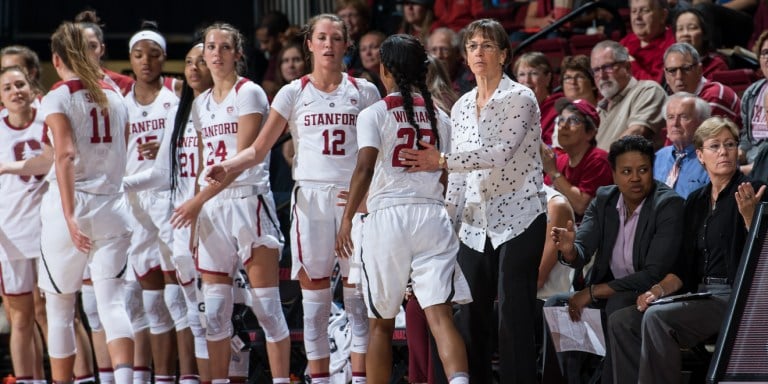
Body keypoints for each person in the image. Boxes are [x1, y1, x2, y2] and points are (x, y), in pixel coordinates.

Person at [203, 14, 380, 384]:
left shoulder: (365, 91)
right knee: (314, 306)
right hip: (311, 200)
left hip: (355, 201)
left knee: (357, 301)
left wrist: (371, 195)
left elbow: (376, 154)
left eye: (335, 38)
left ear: (347, 45)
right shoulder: (292, 92)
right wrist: (227, 164)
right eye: (321, 38)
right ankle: (321, 379)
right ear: (310, 45)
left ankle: (360, 379)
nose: (329, 45)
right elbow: (258, 148)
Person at [400, 18, 547, 384]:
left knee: (514, 316)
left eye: (486, 45)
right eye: (471, 46)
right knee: (470, 316)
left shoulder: (520, 97)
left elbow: (499, 153)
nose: (478, 52)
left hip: (521, 216)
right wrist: (447, 226)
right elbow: (461, 178)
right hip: (474, 223)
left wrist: (443, 160)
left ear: (503, 54)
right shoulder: (463, 105)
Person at [335, 33, 471, 384]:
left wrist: (347, 218)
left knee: (381, 323)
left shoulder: (374, 113)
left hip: (389, 220)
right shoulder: (441, 116)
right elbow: (444, 177)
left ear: (385, 69)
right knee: (440, 317)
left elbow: (364, 167)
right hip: (432, 216)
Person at [169, 23, 292, 384]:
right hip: (212, 211)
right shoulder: (201, 103)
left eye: (225, 47)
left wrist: (195, 204)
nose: (217, 53)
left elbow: (244, 161)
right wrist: (195, 212)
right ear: (204, 53)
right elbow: (206, 165)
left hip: (247, 204)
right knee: (216, 313)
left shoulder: (249, 92)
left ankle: (283, 380)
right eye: (211, 47)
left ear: (238, 53)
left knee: (268, 308)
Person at [609, 117, 767, 384]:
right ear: (700, 156)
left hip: (738, 297)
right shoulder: (695, 201)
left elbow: (763, 259)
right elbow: (683, 266)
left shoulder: (756, 191)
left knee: (659, 319)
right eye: (714, 146)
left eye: (729, 144)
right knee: (622, 321)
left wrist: (751, 218)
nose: (723, 152)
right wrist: (655, 291)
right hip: (699, 294)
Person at [39, 21, 135, 384]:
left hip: (72, 204)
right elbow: (124, 147)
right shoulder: (116, 94)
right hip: (112, 204)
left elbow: (63, 155)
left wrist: (68, 215)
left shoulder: (58, 95)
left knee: (61, 306)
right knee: (113, 303)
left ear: (57, 58)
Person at [548, 135, 684, 383]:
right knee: (557, 303)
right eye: (626, 171)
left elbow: (653, 273)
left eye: (643, 170)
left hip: (649, 294)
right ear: (613, 174)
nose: (635, 178)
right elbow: (582, 250)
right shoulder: (604, 199)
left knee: (617, 304)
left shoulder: (668, 205)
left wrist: (593, 292)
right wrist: (569, 250)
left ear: (652, 170)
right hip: (609, 292)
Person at [0, 65, 50, 384]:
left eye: (20, 84)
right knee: (20, 319)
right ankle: (28, 381)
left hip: (50, 232)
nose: (16, 91)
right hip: (12, 235)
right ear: (1, 97)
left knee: (56, 315)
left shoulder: (49, 117)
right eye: (7, 87)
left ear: (32, 87)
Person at [541, 99, 613, 219]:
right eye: (561, 120)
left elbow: (581, 206)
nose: (563, 126)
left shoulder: (598, 160)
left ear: (590, 132)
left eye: (573, 121)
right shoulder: (560, 161)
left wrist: (553, 172)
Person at [591, 40, 666, 150]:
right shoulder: (597, 111)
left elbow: (636, 132)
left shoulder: (647, 91)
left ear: (627, 67)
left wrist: (600, 164)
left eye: (608, 67)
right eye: (596, 70)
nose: (602, 75)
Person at [662, 42, 741, 128]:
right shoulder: (672, 101)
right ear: (666, 76)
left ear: (699, 70)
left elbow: (705, 139)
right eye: (672, 70)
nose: (679, 76)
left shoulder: (714, 95)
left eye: (686, 69)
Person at [654, 92, 711, 197]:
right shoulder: (658, 157)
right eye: (670, 117)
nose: (675, 123)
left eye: (684, 117)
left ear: (702, 123)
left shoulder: (712, 160)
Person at [74, 9, 135, 95]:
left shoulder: (124, 84)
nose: (85, 52)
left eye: (92, 46)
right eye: (79, 46)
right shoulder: (63, 88)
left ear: (102, 49)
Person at [514, 52, 563, 146]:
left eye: (534, 73)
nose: (527, 80)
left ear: (548, 78)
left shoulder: (558, 108)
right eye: (522, 74)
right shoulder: (515, 112)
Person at [620, 0, 674, 81]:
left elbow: (657, 88)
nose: (637, 17)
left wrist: (631, 64)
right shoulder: (627, 40)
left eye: (645, 10)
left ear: (663, 15)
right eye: (633, 11)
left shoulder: (672, 45)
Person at [737, 31, 768, 174]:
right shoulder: (752, 92)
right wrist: (741, 152)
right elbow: (746, 136)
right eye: (765, 53)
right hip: (751, 160)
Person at [673, 8, 729, 78]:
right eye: (680, 29)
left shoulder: (716, 65)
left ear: (704, 34)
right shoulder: (671, 63)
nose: (685, 34)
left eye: (692, 28)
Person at [426, 28, 474, 95]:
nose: (438, 56)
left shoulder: (469, 79)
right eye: (434, 50)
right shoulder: (424, 78)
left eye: (445, 49)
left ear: (457, 53)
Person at [255, 11, 290, 99]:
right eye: (260, 42)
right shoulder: (273, 57)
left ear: (280, 37)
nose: (262, 47)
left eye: (266, 42)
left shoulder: (291, 54)